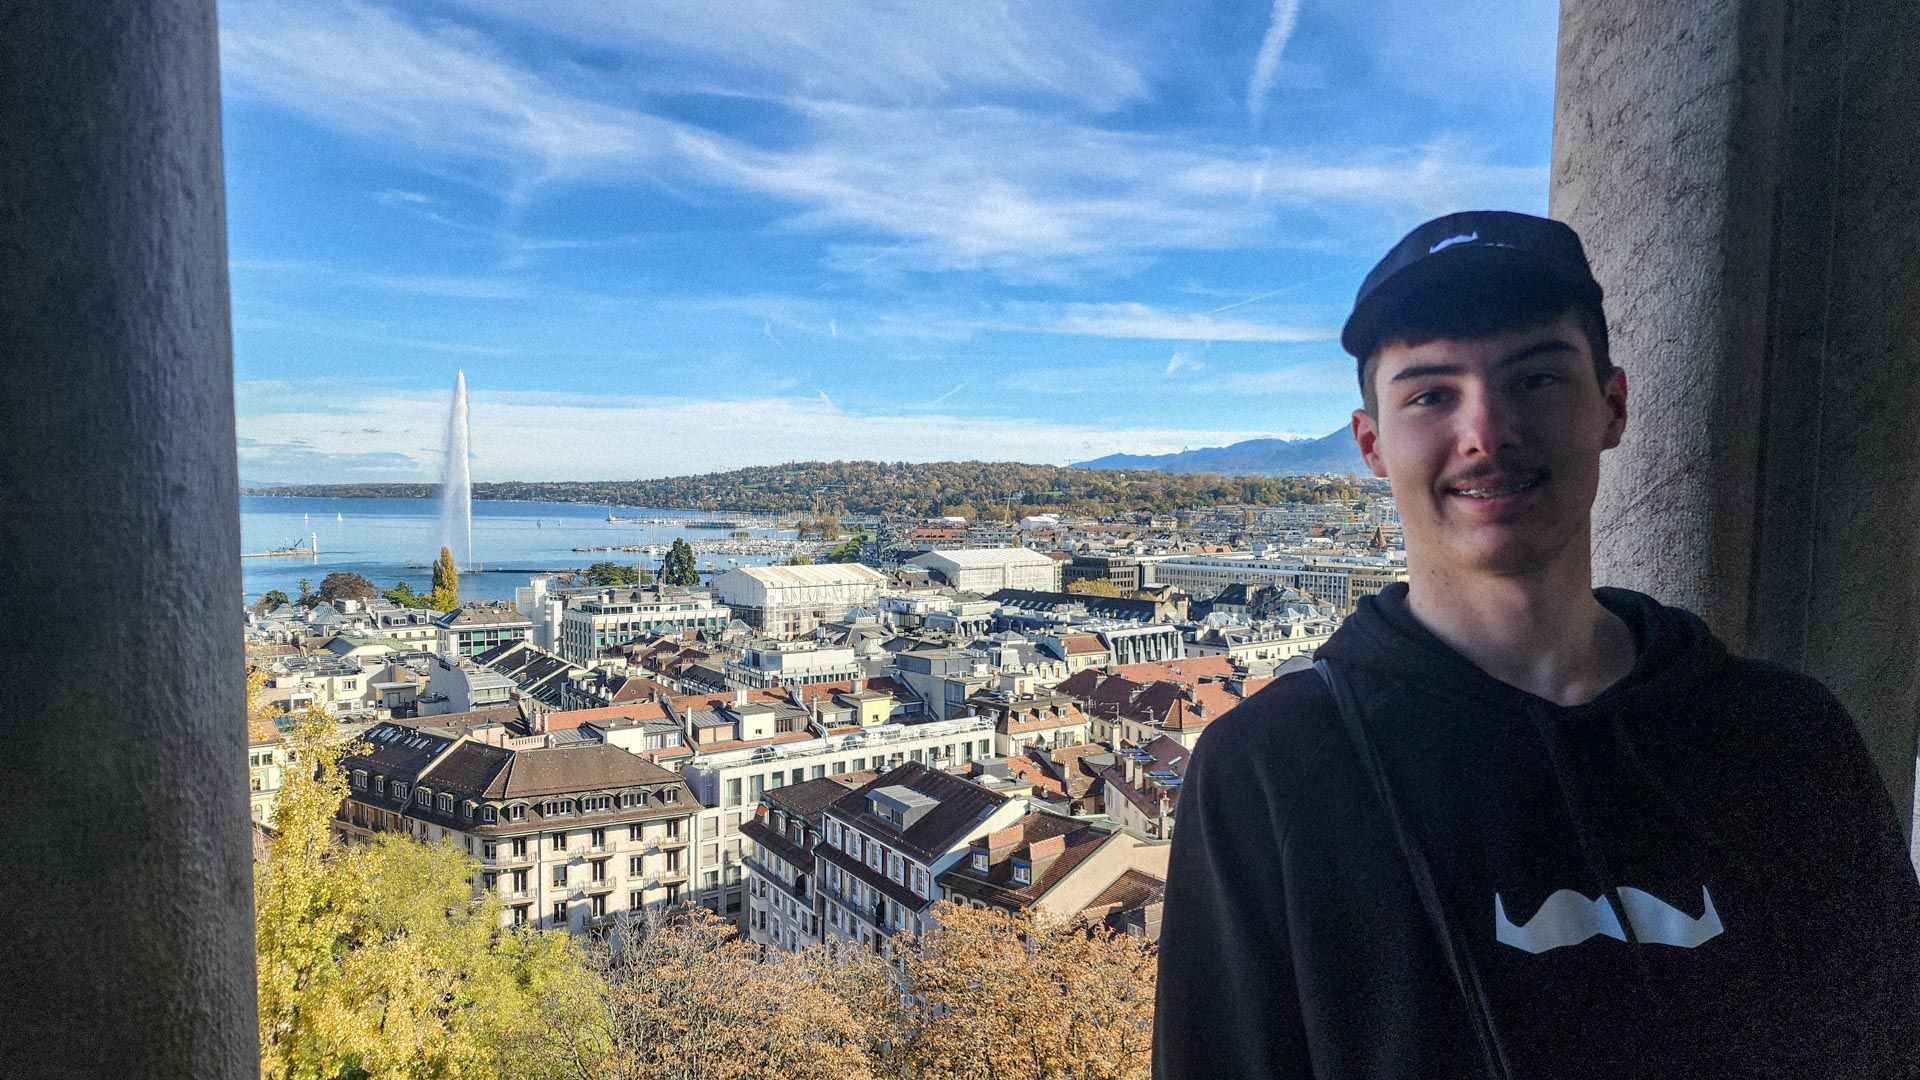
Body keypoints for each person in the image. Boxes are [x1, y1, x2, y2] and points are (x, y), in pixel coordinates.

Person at [1152, 210, 1920, 1079]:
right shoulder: (1270, 769)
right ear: (1371, 445)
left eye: (1538, 379)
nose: (1487, 431)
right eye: (1431, 394)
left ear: (1612, 407)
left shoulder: (1788, 739)